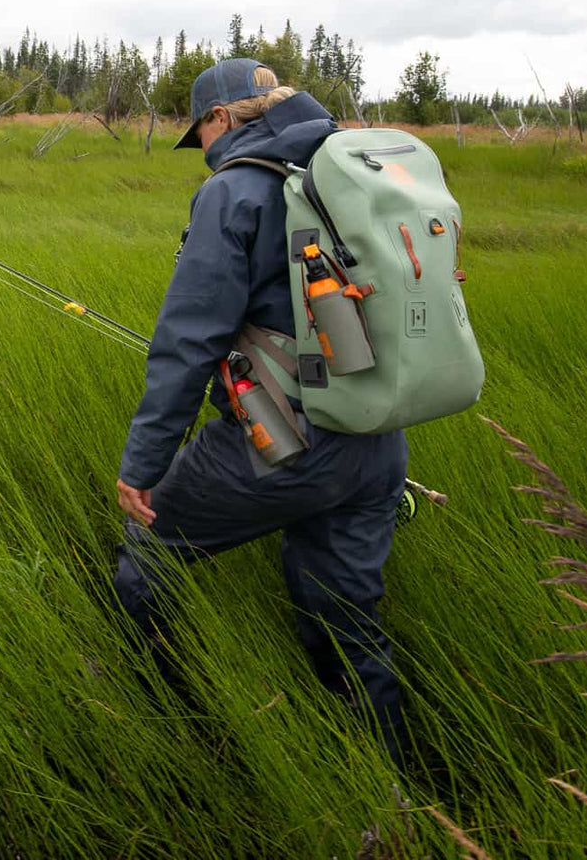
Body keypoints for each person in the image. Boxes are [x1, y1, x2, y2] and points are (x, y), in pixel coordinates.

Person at [113, 57, 411, 765]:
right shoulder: (351, 166)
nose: (205, 149)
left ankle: (168, 729)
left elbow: (188, 342)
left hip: (282, 442)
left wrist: (143, 467)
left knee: (146, 562)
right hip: (376, 436)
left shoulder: (235, 191)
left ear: (221, 118)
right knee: (347, 626)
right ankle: (400, 787)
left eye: (203, 132)